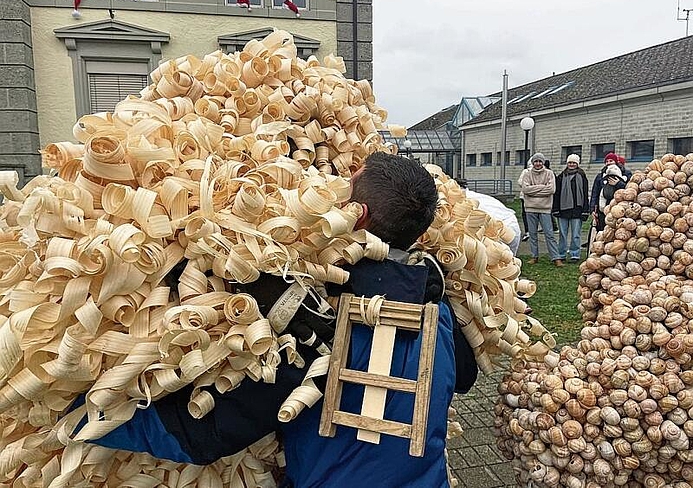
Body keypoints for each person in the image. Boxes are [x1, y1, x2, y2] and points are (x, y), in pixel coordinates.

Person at [78, 153, 478, 488]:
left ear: (355, 216)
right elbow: (465, 376)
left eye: (339, 191)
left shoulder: (314, 326)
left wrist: (82, 412)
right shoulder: (438, 312)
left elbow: (202, 437)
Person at [519, 153, 563, 266]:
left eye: (540, 161)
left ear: (543, 162)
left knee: (549, 234)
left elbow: (551, 189)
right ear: (533, 163)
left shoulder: (549, 174)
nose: (538, 164)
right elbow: (525, 189)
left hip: (545, 208)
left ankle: (556, 257)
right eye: (536, 161)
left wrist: (533, 190)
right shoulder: (527, 174)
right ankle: (534, 256)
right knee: (532, 234)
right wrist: (542, 188)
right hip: (530, 208)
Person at [456, 178, 521, 255]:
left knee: (498, 261)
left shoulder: (466, 201)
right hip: (511, 223)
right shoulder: (475, 195)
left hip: (501, 229)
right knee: (508, 261)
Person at [552, 154, 589, 262]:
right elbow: (557, 194)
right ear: (567, 163)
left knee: (576, 234)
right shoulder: (561, 177)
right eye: (570, 162)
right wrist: (555, 209)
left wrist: (585, 210)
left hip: (577, 210)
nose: (571, 164)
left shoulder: (582, 176)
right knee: (563, 234)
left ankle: (575, 254)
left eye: (574, 163)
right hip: (563, 210)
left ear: (577, 164)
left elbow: (585, 193)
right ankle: (561, 254)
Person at [596, 164, 626, 230]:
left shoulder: (623, 182)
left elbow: (627, 192)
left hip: (620, 211)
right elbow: (600, 195)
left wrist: (618, 184)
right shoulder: (605, 184)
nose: (611, 179)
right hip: (606, 211)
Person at [517, 161, 531, 241]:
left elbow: (520, 182)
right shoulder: (526, 171)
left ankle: (528, 231)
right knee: (527, 214)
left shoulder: (526, 171)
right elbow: (520, 182)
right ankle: (529, 231)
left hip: (527, 197)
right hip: (527, 196)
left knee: (526, 214)